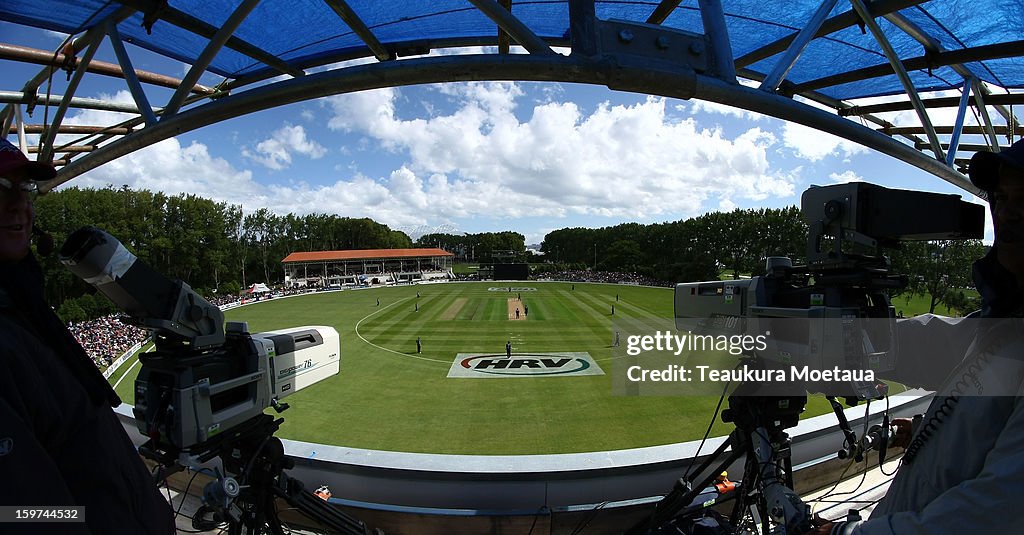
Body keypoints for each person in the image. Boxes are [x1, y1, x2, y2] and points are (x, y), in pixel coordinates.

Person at [814, 140, 1024, 534]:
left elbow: (997, 514)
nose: (1008, 211)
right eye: (1001, 196)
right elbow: (935, 346)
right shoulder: (1006, 318)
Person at [0, 139, 174, 534]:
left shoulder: (23, 310)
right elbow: (16, 514)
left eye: (24, 189)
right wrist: (94, 519)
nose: (19, 205)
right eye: (0, 187)